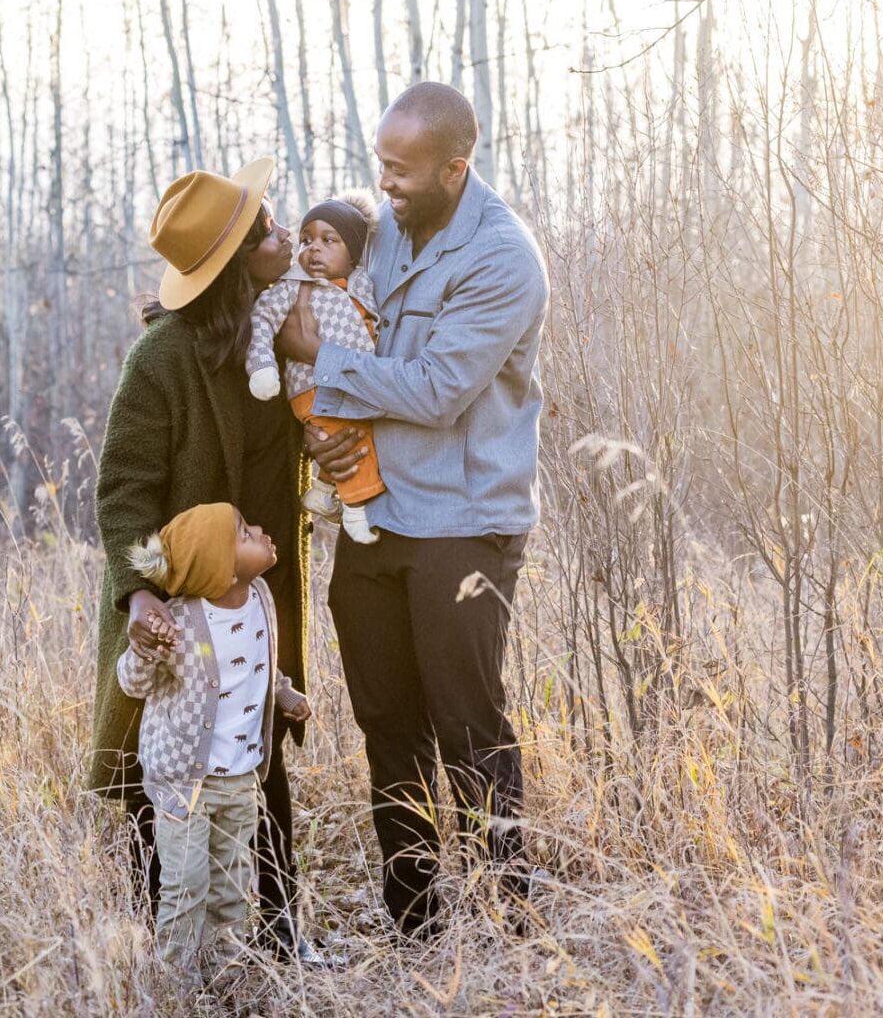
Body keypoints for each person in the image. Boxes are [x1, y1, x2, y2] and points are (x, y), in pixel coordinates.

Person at [278, 82, 550, 938]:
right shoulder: (385, 233)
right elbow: (361, 332)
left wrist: (322, 363)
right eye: (381, 165)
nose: (384, 185)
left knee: (466, 726)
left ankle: (506, 925)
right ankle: (418, 923)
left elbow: (435, 391)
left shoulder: (504, 260)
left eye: (401, 170)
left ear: (455, 168)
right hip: (376, 515)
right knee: (386, 725)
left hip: (462, 525)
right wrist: (327, 436)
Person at [90, 160, 328, 964]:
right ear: (234, 261)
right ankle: (168, 959)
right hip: (179, 605)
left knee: (256, 759)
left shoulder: (279, 328)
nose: (282, 231)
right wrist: (138, 600)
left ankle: (276, 942)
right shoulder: (161, 360)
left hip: (261, 596)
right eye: (265, 228)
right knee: (168, 766)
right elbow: (123, 492)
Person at [116, 502, 311, 976]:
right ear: (220, 568)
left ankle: (225, 978)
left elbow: (257, 664)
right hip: (186, 784)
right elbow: (131, 683)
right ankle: (176, 985)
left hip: (242, 778)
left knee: (230, 886)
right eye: (245, 532)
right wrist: (147, 651)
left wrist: (284, 695)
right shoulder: (177, 623)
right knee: (186, 888)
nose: (261, 530)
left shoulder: (261, 597)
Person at [247, 191, 385, 546]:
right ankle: (355, 509)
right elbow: (261, 318)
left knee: (346, 435)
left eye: (329, 240)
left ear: (353, 252)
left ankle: (323, 492)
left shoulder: (361, 285)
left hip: (349, 384)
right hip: (313, 387)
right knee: (356, 442)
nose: (311, 248)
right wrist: (262, 365)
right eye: (306, 239)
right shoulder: (294, 287)